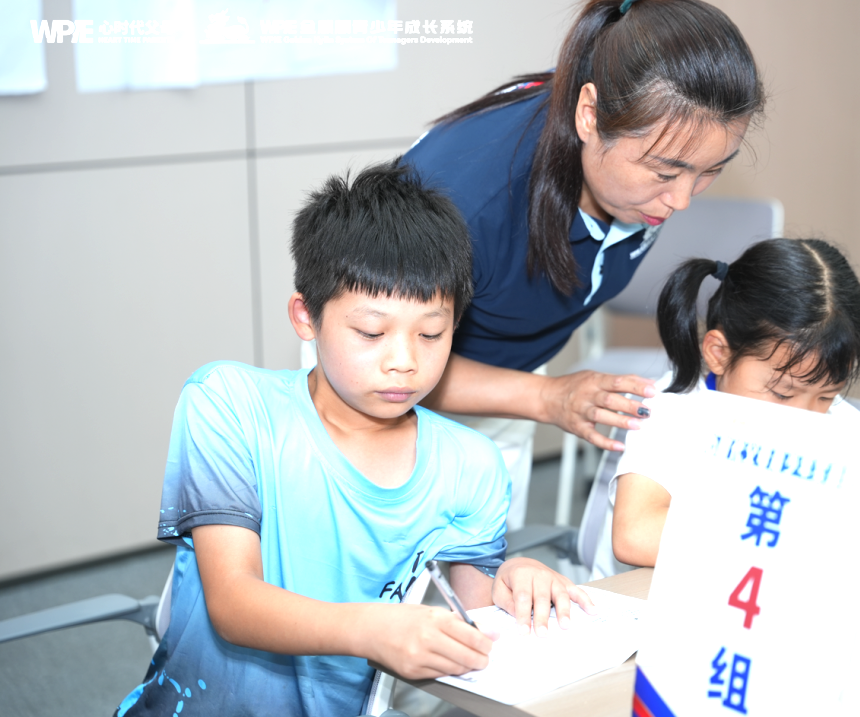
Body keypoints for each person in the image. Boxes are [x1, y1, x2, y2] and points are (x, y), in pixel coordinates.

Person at [115, 161, 592, 717]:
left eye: (431, 334)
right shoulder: (230, 405)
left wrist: (514, 578)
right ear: (306, 317)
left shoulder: (472, 464)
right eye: (371, 332)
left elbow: (473, 621)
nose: (404, 363)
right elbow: (233, 601)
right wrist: (372, 630)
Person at [405, 0, 766, 528]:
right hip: (378, 385)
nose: (682, 200)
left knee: (484, 576)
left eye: (709, 171)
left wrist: (535, 394)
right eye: (665, 171)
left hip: (501, 378)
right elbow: (389, 365)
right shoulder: (463, 204)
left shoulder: (627, 132)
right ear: (589, 116)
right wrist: (547, 398)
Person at [609, 239, 860, 567]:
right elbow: (635, 535)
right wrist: (792, 532)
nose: (804, 416)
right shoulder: (672, 410)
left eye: (826, 395)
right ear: (719, 354)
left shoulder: (822, 411)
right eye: (782, 393)